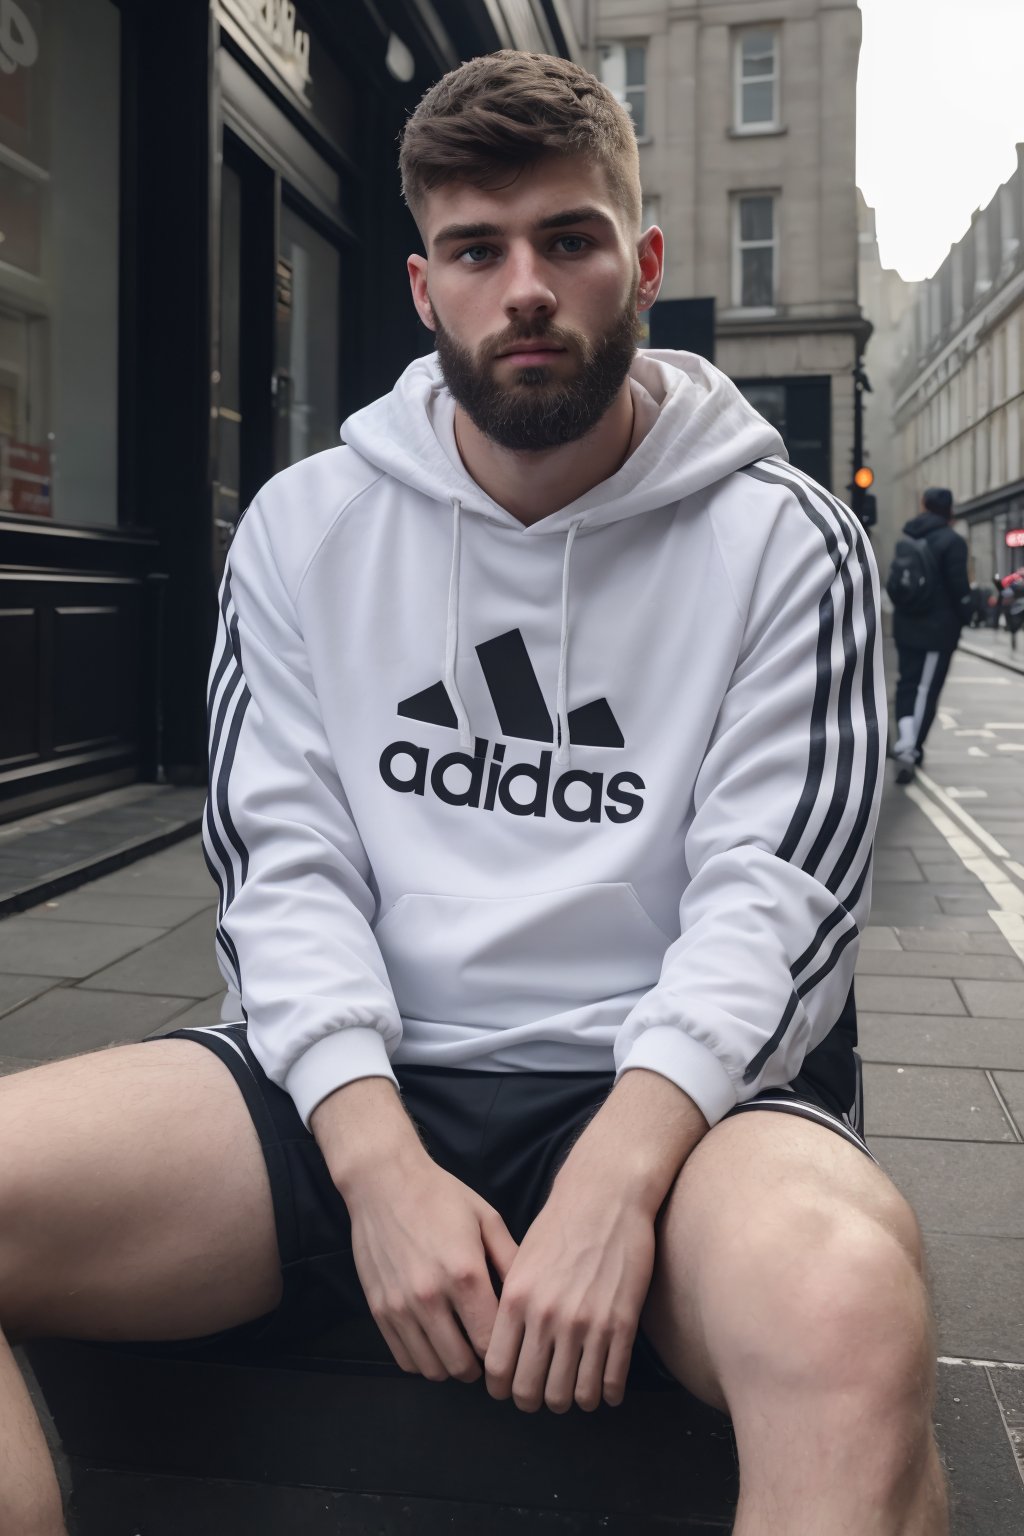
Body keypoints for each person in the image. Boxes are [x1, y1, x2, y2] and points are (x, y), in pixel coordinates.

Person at [0, 51, 946, 1536]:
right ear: (424, 287)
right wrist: (376, 1166)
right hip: (358, 1078)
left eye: (567, 241)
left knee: (845, 1306)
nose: (526, 287)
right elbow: (285, 871)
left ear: (637, 263)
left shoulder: (784, 539)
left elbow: (781, 901)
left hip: (682, 1111)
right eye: (477, 249)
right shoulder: (308, 526)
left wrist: (615, 1184)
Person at [890, 487, 971, 784]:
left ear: (924, 505)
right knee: (925, 689)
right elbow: (959, 589)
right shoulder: (952, 542)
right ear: (949, 510)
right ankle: (909, 749)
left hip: (906, 626)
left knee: (907, 685)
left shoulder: (908, 538)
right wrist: (968, 616)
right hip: (937, 632)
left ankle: (905, 741)